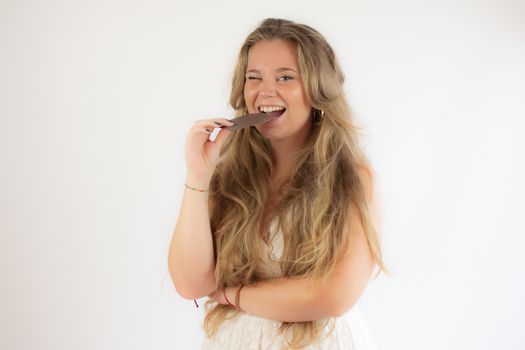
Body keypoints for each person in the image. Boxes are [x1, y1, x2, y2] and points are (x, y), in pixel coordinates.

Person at [168, 17, 391, 349]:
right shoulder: (228, 178)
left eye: (285, 77)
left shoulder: (352, 178)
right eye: (253, 77)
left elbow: (334, 294)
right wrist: (197, 177)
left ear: (318, 89)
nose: (265, 91)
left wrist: (232, 294)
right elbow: (190, 283)